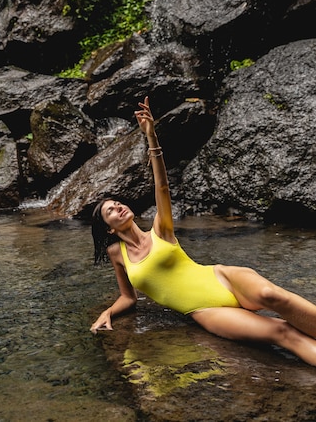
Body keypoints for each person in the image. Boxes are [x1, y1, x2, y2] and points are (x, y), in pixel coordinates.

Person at [90, 96, 316, 366]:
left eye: (118, 203)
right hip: (205, 309)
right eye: (111, 211)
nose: (119, 208)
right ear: (109, 229)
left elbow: (162, 188)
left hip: (221, 277)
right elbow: (129, 297)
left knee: (273, 296)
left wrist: (152, 137)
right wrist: (108, 313)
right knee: (281, 332)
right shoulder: (117, 253)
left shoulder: (160, 230)